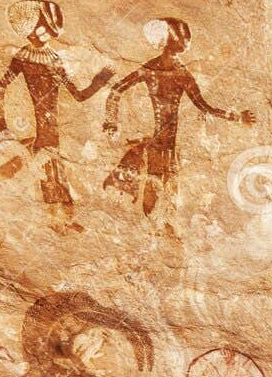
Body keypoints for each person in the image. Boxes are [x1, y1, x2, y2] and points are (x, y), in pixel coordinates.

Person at [103, 18, 255, 231]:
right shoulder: (175, 72)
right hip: (161, 142)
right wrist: (111, 123)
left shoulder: (167, 71)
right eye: (184, 37)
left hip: (167, 144)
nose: (187, 42)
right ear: (172, 40)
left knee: (167, 186)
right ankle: (156, 229)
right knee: (159, 184)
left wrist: (111, 122)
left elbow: (116, 90)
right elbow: (204, 107)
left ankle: (161, 228)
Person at [0, 0, 114, 233]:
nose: (55, 31)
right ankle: (57, 220)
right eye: (50, 26)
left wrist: (99, 81)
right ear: (37, 29)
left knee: (54, 172)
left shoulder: (48, 58)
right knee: (52, 172)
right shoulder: (36, 59)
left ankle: (59, 218)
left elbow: (77, 95)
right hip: (46, 129)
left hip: (50, 127)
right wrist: (1, 126)